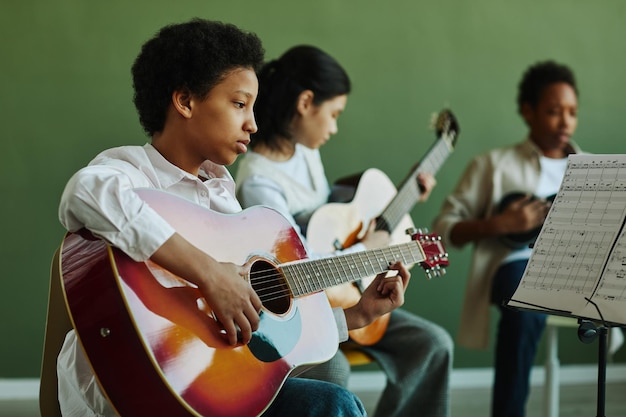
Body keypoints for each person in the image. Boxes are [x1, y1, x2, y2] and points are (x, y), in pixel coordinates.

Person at [56, 19, 413, 417]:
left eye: (253, 108)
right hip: (129, 388)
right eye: (239, 104)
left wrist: (356, 315)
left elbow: (261, 336)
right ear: (186, 102)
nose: (253, 124)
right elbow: (84, 192)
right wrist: (210, 273)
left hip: (210, 391)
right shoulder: (131, 172)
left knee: (333, 404)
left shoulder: (225, 203)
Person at [235, 45, 453, 417]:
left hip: (347, 291)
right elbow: (298, 265)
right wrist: (369, 248)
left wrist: (404, 197)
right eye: (334, 114)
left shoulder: (305, 151)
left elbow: (333, 221)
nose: (335, 127)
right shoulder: (258, 182)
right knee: (335, 367)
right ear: (306, 102)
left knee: (433, 344)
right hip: (301, 309)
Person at [432, 60, 582, 417]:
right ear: (528, 112)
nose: (566, 123)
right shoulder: (492, 165)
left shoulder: (594, 166)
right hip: (517, 266)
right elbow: (442, 227)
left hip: (580, 271)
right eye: (553, 111)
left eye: (573, 112)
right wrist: (500, 224)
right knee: (525, 303)